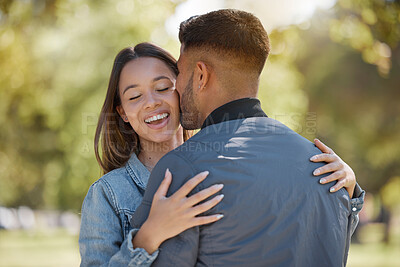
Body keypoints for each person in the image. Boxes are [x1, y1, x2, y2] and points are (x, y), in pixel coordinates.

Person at [79, 43, 362, 266]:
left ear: (184, 90)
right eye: (134, 97)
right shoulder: (108, 195)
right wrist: (148, 237)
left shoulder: (228, 165)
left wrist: (346, 193)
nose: (152, 103)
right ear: (123, 114)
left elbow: (308, 242)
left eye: (163, 88)